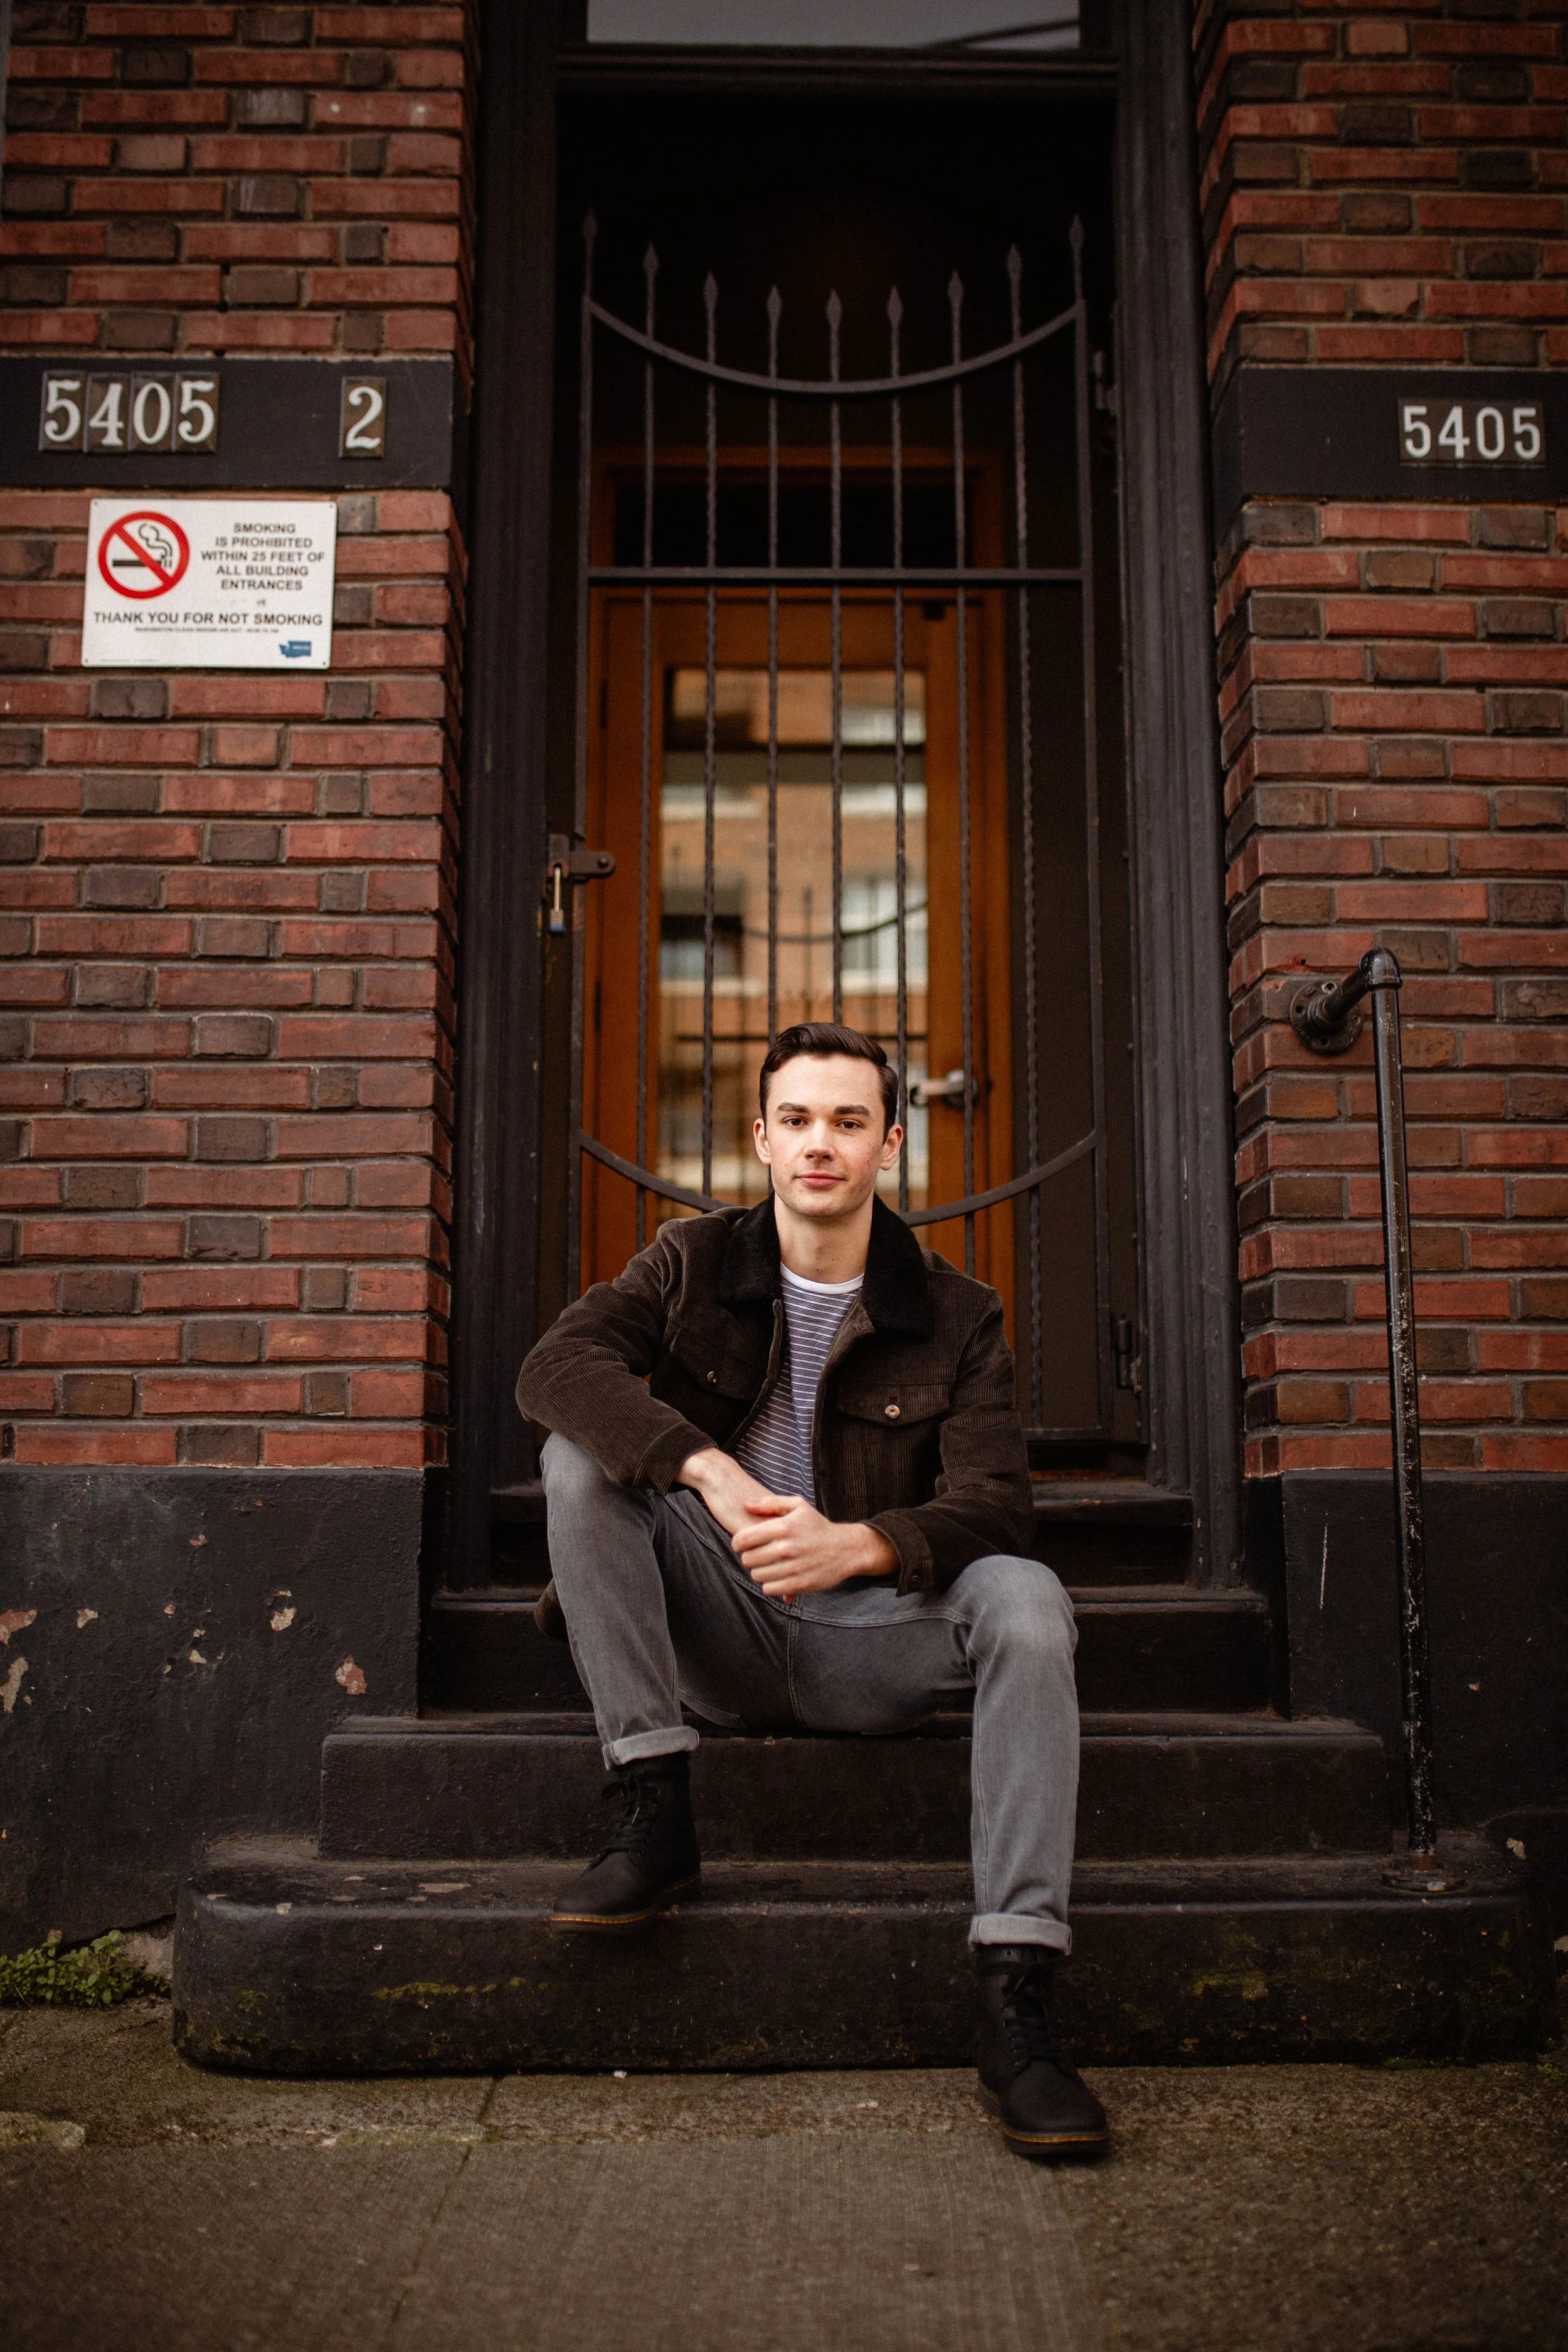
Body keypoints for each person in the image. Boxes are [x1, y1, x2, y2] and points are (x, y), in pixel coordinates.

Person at [516, 1020, 1108, 2161]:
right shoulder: (689, 1261)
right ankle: (651, 1800)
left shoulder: (958, 1309)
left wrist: (861, 1547)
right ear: (761, 1139)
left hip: (865, 1644)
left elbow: (996, 1506)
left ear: (889, 1142)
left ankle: (1019, 1999)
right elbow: (556, 1368)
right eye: (796, 1121)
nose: (819, 1144)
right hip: (717, 1627)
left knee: (1028, 1597)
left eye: (847, 1122)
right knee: (577, 1455)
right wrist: (705, 1465)